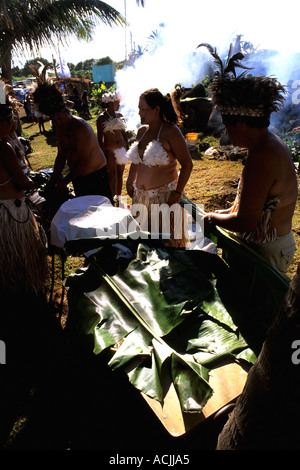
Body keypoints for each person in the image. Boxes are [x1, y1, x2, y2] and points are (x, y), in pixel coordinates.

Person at [203, 74, 298, 273]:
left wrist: (211, 218)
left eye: (228, 126)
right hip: (269, 245)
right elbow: (249, 206)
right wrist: (222, 213)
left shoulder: (263, 155)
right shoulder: (266, 144)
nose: (226, 133)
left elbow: (246, 221)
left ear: (242, 124)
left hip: (266, 252)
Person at [126, 88, 193, 247]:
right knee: (146, 244)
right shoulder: (142, 131)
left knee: (167, 245)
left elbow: (187, 165)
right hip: (141, 199)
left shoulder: (171, 132)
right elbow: (136, 161)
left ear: (156, 109)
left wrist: (177, 194)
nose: (139, 113)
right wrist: (130, 182)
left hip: (164, 199)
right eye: (139, 108)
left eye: (143, 109)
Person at [32, 83, 113, 203]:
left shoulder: (81, 128)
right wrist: (53, 179)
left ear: (67, 112)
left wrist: (65, 181)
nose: (57, 123)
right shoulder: (61, 128)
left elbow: (84, 160)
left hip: (96, 176)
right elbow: (61, 155)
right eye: (54, 121)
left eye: (59, 119)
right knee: (83, 212)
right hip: (78, 177)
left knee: (102, 211)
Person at [0, 99, 48, 295]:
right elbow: (21, 182)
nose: (12, 123)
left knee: (9, 257)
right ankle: (28, 290)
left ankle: (13, 290)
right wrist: (32, 182)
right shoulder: (4, 147)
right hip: (13, 213)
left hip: (3, 212)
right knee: (25, 255)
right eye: (9, 120)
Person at [97, 91, 129, 200]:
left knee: (119, 175)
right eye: (117, 103)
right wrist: (102, 153)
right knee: (110, 176)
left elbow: (124, 134)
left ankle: (118, 197)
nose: (119, 105)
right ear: (110, 104)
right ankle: (110, 198)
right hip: (109, 151)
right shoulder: (102, 118)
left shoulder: (119, 116)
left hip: (121, 149)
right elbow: (100, 138)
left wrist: (127, 147)